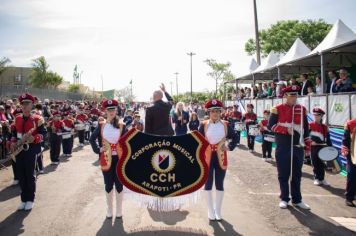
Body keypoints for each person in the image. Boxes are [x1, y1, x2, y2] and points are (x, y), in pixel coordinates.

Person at [268, 85, 311, 210]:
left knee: (297, 174)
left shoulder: (302, 109)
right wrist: (286, 130)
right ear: (285, 96)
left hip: (298, 146)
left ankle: (297, 200)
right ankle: (284, 198)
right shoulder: (277, 109)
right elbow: (271, 126)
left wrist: (307, 145)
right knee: (283, 174)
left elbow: (306, 128)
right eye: (291, 95)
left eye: (295, 95)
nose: (294, 97)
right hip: (283, 146)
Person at [198, 99, 237, 221]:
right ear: (209, 113)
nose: (215, 113)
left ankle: (218, 211)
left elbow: (235, 136)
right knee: (208, 183)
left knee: (220, 183)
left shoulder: (225, 124)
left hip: (221, 157)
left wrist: (229, 146)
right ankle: (210, 210)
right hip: (207, 158)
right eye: (212, 111)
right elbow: (197, 140)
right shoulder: (203, 124)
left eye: (217, 111)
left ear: (220, 112)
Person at [90, 99, 127, 219]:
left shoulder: (122, 125)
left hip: (119, 160)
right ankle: (109, 209)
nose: (111, 112)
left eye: (113, 109)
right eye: (109, 110)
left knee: (119, 184)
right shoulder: (101, 125)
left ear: (117, 110)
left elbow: (128, 141)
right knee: (108, 184)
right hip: (106, 159)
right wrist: (98, 149)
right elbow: (92, 138)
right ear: (105, 111)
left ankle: (119, 210)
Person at [10, 93, 46, 211]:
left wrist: (35, 138)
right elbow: (14, 134)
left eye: (27, 103)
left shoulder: (38, 119)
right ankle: (23, 199)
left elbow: (43, 134)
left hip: (31, 149)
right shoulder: (18, 118)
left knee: (30, 175)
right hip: (19, 150)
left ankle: (30, 199)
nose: (24, 106)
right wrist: (13, 141)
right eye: (22, 104)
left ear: (32, 105)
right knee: (21, 175)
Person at [309, 108, 332, 186]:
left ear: (321, 116)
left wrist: (330, 148)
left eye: (318, 115)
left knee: (322, 163)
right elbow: (305, 136)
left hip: (322, 147)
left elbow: (328, 139)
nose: (316, 116)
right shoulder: (310, 125)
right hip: (314, 147)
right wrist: (310, 142)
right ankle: (316, 178)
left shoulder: (325, 127)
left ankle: (322, 178)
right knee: (315, 163)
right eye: (314, 115)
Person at [341, 118, 356, 207]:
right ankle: (349, 197)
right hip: (353, 154)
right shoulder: (350, 123)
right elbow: (345, 139)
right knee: (352, 175)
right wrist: (345, 150)